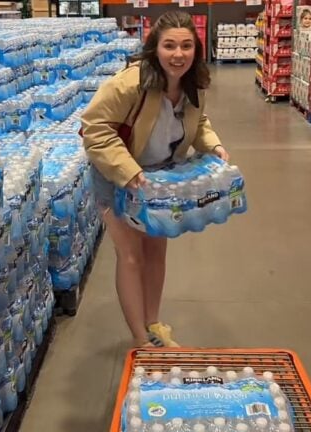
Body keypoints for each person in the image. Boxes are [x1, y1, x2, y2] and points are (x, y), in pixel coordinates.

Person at [81, 10, 230, 348]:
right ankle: (140, 339)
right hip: (118, 178)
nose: (178, 54)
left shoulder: (194, 83)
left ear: (196, 49)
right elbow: (94, 128)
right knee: (131, 255)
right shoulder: (129, 84)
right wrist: (127, 170)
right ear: (155, 48)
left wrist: (214, 145)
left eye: (186, 46)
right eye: (169, 46)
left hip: (159, 180)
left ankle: (153, 324)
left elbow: (199, 122)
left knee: (156, 254)